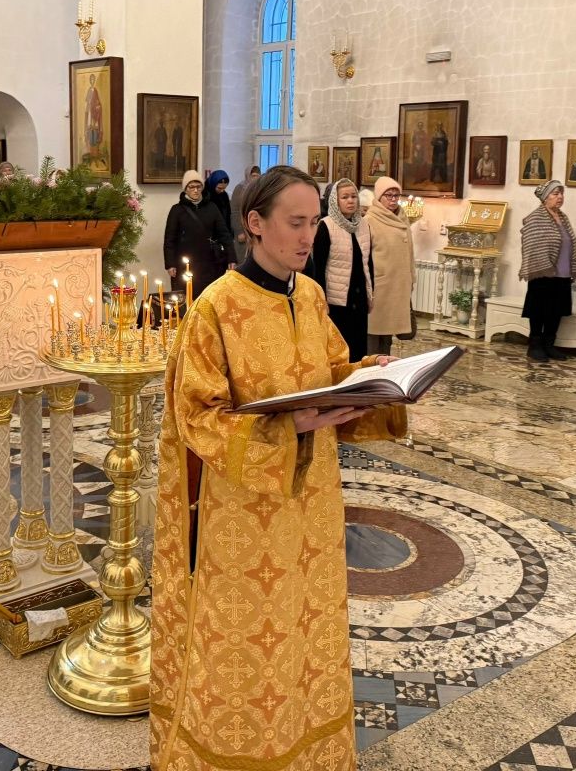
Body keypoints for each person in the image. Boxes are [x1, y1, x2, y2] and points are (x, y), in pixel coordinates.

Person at [149, 165, 406, 770]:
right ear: (255, 224)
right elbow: (197, 416)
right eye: (295, 222)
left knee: (304, 626)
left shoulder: (310, 296)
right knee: (248, 643)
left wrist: (373, 379)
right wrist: (288, 427)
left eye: (314, 222)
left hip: (312, 504)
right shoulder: (216, 309)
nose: (308, 236)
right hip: (244, 515)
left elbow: (330, 371)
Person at [518, 180, 576, 362]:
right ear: (545, 197)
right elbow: (531, 245)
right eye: (555, 194)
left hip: (562, 273)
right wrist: (543, 264)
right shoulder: (535, 218)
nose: (560, 197)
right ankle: (535, 346)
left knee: (556, 310)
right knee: (539, 310)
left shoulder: (563, 218)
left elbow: (569, 243)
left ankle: (549, 345)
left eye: (561, 193)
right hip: (542, 272)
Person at [311, 178, 372, 360]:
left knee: (359, 348)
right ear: (335, 201)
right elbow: (319, 267)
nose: (350, 201)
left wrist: (371, 292)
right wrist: (322, 300)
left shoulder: (364, 225)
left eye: (353, 196)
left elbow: (368, 262)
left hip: (359, 297)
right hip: (337, 300)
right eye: (345, 197)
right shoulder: (326, 226)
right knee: (340, 350)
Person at [163, 169, 235, 299]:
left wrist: (232, 258)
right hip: (185, 264)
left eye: (198, 186)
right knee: (186, 299)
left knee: (208, 298)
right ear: (185, 189)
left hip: (209, 263)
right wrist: (170, 264)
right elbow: (169, 239)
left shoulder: (212, 207)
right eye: (191, 187)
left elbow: (224, 234)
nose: (195, 190)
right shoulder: (177, 210)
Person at [365, 175, 415, 354]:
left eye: (396, 195)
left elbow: (410, 251)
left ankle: (386, 363)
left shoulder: (402, 217)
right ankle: (370, 365)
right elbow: (364, 256)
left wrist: (411, 277)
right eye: (389, 195)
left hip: (398, 284)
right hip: (379, 285)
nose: (393, 199)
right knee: (373, 331)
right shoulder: (369, 220)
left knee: (388, 334)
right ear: (379, 197)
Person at [228, 165, 261, 263]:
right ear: (248, 175)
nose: (255, 178)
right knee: (243, 260)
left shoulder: (260, 189)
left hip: (256, 229)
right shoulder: (240, 188)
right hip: (243, 229)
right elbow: (235, 211)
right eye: (253, 175)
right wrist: (239, 231)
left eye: (257, 176)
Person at [203, 169, 232, 241]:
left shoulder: (224, 195)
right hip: (207, 235)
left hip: (222, 233)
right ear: (213, 184)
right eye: (219, 188)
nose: (222, 191)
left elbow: (227, 214)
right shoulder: (204, 195)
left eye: (224, 188)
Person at [84, 74, 103, 163]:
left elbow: (98, 102)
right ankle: (91, 153)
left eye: (93, 79)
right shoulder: (89, 90)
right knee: (90, 131)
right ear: (89, 80)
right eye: (91, 79)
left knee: (95, 131)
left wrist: (98, 106)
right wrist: (89, 108)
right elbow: (87, 102)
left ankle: (95, 153)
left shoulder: (95, 90)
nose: (92, 81)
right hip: (91, 113)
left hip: (95, 113)